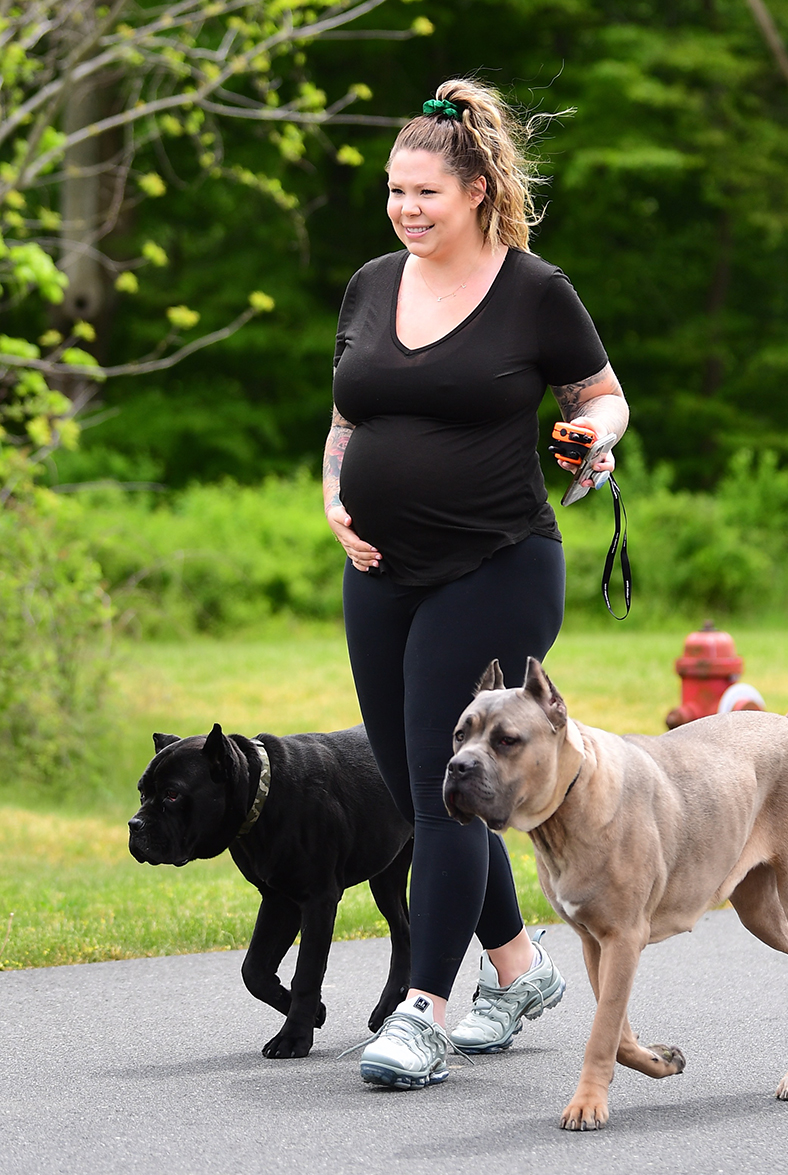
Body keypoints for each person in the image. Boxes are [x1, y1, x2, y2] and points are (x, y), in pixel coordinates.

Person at [323, 77, 629, 1090]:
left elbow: (604, 395)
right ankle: (519, 966)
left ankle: (423, 1011)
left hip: (495, 565)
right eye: (394, 192)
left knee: (441, 798)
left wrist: (593, 436)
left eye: (426, 193)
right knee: (423, 783)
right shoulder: (371, 283)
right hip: (380, 573)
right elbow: (349, 416)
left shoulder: (533, 290)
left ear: (476, 191)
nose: (407, 209)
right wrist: (334, 497)